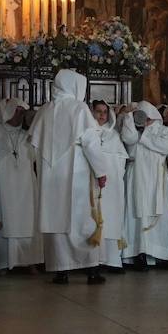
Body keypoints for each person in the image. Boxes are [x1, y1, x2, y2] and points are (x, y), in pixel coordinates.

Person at [30, 70, 113, 284]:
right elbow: (91, 143)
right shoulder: (79, 109)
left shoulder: (46, 110)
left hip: (50, 177)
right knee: (83, 219)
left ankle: (61, 270)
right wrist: (101, 171)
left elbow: (34, 143)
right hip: (76, 174)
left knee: (56, 221)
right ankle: (91, 270)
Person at [121, 102, 168, 269]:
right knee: (136, 216)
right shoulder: (132, 130)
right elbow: (128, 139)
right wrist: (130, 118)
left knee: (161, 215)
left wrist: (144, 136)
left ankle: (162, 254)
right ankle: (137, 253)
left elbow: (167, 147)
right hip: (136, 176)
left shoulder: (163, 130)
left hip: (156, 177)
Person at [0, 99, 41, 271]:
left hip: (26, 183)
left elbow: (35, 156)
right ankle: (4, 262)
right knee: (5, 218)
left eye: (22, 112)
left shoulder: (27, 134)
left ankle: (28, 261)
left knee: (28, 219)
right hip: (5, 183)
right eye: (17, 111)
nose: (20, 115)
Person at [89, 100, 130, 271]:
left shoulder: (114, 136)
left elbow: (121, 161)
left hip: (112, 186)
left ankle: (112, 259)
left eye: (105, 112)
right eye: (98, 111)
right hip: (92, 184)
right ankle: (92, 260)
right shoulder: (87, 132)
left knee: (112, 220)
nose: (102, 115)